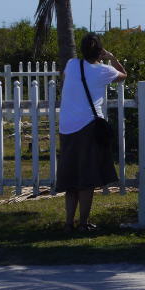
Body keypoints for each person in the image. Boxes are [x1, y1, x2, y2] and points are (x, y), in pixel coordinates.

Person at [56, 33, 127, 233]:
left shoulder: (71, 65)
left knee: (71, 179)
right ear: (99, 51)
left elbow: (66, 78)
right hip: (87, 125)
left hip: (66, 126)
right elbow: (124, 75)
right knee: (86, 180)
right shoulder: (104, 70)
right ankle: (84, 222)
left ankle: (69, 223)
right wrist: (112, 58)